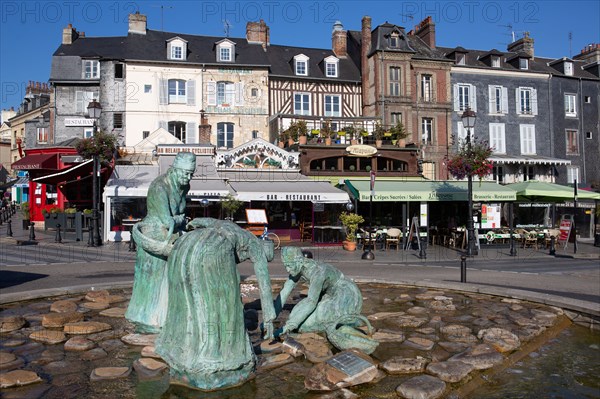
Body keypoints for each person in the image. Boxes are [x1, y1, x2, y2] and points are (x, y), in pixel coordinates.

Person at [155, 218, 276, 390]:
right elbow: (264, 283)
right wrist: (269, 317)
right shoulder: (255, 245)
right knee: (222, 306)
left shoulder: (232, 227)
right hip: (213, 251)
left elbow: (202, 221)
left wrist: (190, 224)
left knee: (187, 303)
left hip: (184, 247)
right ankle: (218, 361)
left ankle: (181, 355)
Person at [125, 152, 196, 333]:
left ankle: (166, 317)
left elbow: (177, 218)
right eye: (185, 173)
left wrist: (179, 219)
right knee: (152, 283)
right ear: (173, 170)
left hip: (169, 237)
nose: (188, 178)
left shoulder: (183, 186)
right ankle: (146, 320)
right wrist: (182, 219)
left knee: (170, 280)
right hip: (154, 238)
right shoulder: (159, 187)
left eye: (191, 174)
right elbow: (167, 221)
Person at [274, 247, 378, 354]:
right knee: (294, 315)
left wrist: (288, 326)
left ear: (300, 261)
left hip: (346, 295)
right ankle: (344, 319)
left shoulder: (317, 272)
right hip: (329, 296)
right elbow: (284, 292)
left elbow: (311, 302)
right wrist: (271, 318)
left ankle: (350, 320)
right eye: (286, 266)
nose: (287, 270)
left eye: (289, 266)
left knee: (304, 326)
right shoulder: (298, 268)